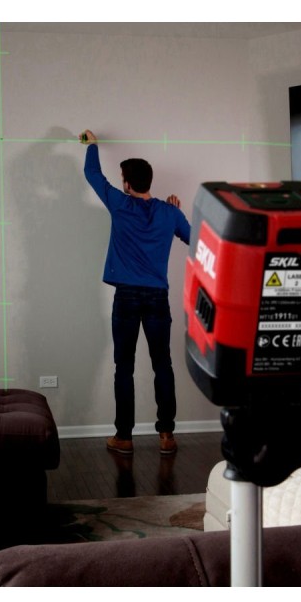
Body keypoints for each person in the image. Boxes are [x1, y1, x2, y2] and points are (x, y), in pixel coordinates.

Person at [79, 129, 191, 456]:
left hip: (127, 297)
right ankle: (167, 435)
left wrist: (92, 144)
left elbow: (92, 174)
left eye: (122, 179)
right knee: (163, 365)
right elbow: (194, 238)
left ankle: (124, 437)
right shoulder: (169, 212)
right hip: (157, 298)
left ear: (127, 184)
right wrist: (174, 214)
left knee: (123, 367)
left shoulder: (120, 204)